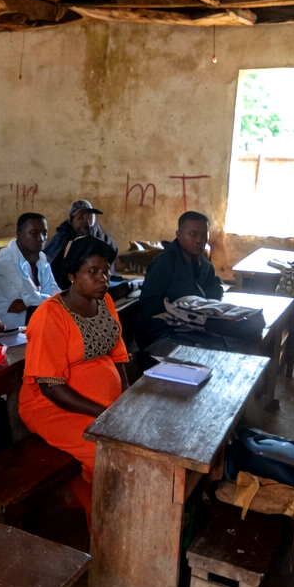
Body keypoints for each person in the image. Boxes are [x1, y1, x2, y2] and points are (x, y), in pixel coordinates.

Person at [19, 236, 131, 528]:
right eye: (92, 272)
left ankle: (96, 498)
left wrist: (126, 400)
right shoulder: (50, 315)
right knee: (105, 450)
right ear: (71, 276)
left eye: (105, 271)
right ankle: (105, 525)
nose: (102, 278)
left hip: (101, 405)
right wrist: (104, 414)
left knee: (138, 436)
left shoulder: (104, 301)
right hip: (51, 406)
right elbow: (50, 387)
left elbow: (118, 356)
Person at [137, 211, 224, 348]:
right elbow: (148, 305)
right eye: (193, 234)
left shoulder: (204, 264)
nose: (199, 240)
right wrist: (179, 311)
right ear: (179, 235)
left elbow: (215, 288)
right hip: (162, 333)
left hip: (194, 328)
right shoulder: (165, 262)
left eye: (203, 235)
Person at [0, 212, 60, 329]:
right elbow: (22, 301)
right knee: (53, 318)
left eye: (44, 233)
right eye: (34, 233)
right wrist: (56, 300)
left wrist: (58, 300)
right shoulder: (6, 261)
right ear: (19, 234)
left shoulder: (41, 258)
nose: (41, 238)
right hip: (1, 321)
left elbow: (53, 289)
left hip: (25, 314)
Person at [43, 199, 118, 290]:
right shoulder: (62, 240)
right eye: (80, 218)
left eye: (90, 217)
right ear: (71, 221)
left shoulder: (103, 239)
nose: (86, 222)